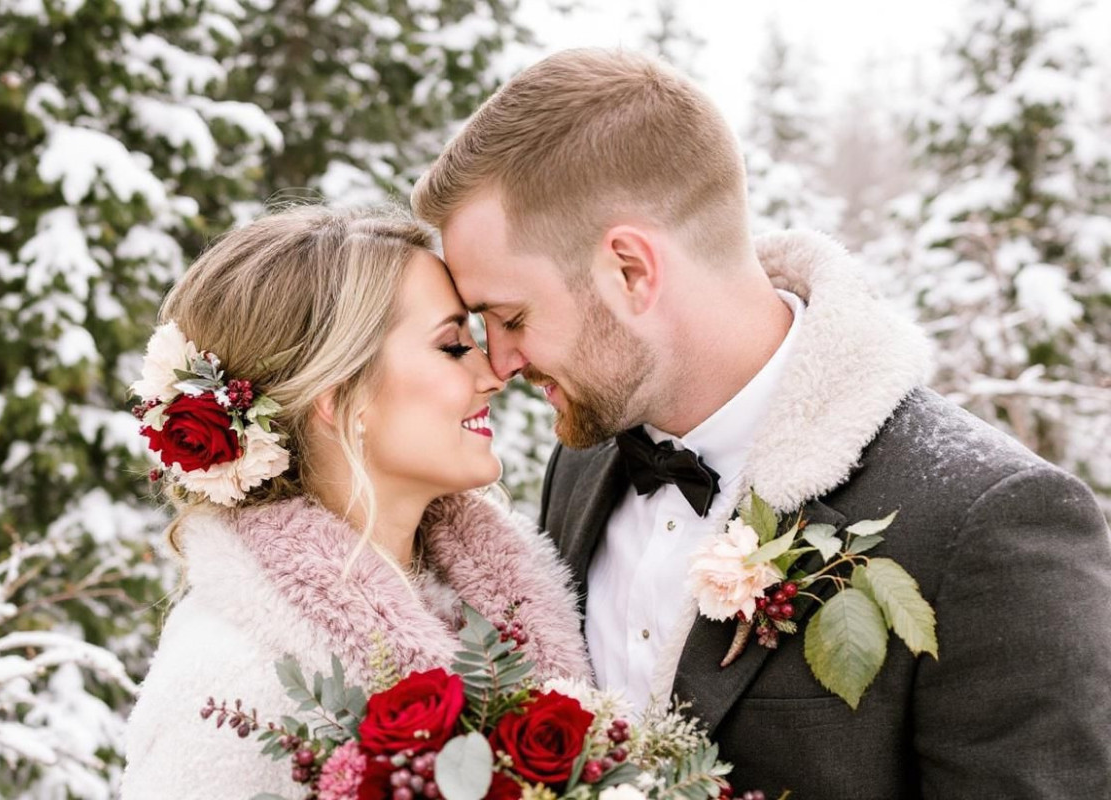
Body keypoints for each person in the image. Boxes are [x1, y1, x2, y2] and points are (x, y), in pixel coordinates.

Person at [411, 48, 1111, 798]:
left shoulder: (993, 521)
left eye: (511, 316)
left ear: (631, 270)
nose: (502, 361)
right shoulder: (581, 466)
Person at [120, 206, 591, 799]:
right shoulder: (229, 677)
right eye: (452, 346)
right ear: (339, 395)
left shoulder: (488, 605)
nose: (495, 373)